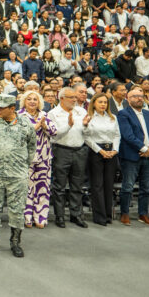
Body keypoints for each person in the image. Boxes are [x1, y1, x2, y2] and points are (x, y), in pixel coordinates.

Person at [0, 94, 35, 258]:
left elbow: (32, 145)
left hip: (17, 174)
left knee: (17, 208)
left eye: (2, 108)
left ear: (12, 108)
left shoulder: (25, 124)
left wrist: (24, 164)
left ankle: (15, 241)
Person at [116, 86, 149, 226]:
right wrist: (143, 148)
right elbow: (127, 135)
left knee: (147, 188)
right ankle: (124, 213)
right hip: (131, 156)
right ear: (127, 99)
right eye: (135, 96)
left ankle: (143, 214)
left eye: (140, 96)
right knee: (128, 186)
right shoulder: (123, 114)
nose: (139, 98)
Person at [48, 87, 89, 228]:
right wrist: (68, 125)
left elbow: (86, 132)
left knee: (77, 186)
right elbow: (53, 135)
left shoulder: (81, 111)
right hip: (61, 150)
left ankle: (76, 215)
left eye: (75, 97)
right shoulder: (53, 113)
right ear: (62, 98)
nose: (75, 100)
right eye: (71, 97)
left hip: (79, 150)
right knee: (59, 186)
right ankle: (59, 216)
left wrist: (86, 126)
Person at [84, 93, 120, 226]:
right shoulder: (89, 117)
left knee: (108, 184)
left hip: (111, 151)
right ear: (94, 103)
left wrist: (115, 150)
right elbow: (86, 137)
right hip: (96, 151)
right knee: (97, 185)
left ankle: (108, 215)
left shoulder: (112, 117)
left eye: (105, 102)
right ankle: (100, 217)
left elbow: (117, 135)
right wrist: (101, 151)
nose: (103, 104)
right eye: (100, 102)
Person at [21, 90, 56, 228]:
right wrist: (35, 128)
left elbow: (54, 132)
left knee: (42, 188)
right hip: (26, 157)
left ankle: (40, 217)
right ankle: (27, 217)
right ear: (24, 101)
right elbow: (19, 136)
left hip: (44, 157)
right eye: (29, 99)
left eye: (35, 99)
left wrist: (44, 126)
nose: (32, 101)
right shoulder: (19, 116)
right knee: (27, 188)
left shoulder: (44, 115)